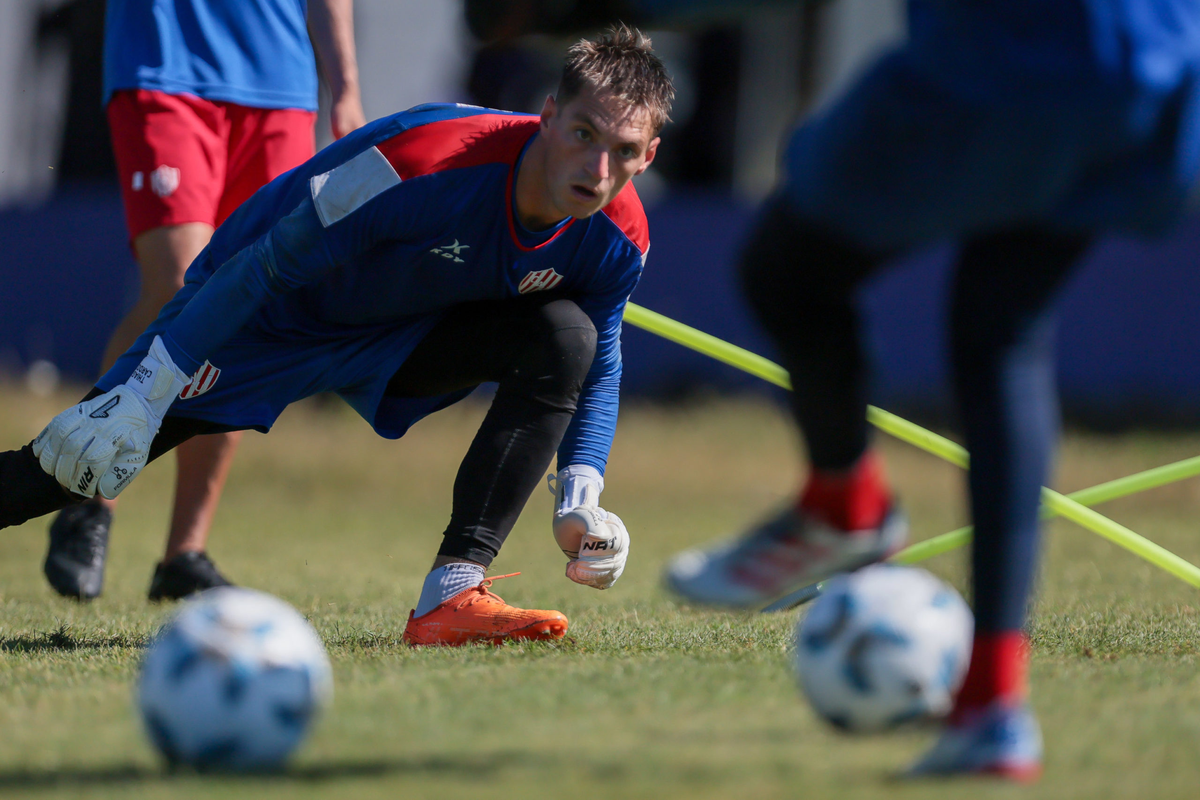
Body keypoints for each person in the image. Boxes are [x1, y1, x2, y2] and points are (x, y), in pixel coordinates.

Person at [469, 0, 1200, 780]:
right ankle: (992, 711)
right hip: (1159, 83)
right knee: (1003, 336)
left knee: (786, 268)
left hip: (1019, 58)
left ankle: (846, 503)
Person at [1, 25, 674, 647]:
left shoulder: (620, 237)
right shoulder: (418, 164)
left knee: (566, 338)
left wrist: (583, 493)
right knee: (67, 468)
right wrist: (149, 392)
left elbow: (601, 357)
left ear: (647, 157)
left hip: (402, 337)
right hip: (265, 314)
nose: (598, 168)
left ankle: (452, 595)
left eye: (622, 151)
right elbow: (262, 266)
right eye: (584, 133)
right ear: (549, 116)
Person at [46, 0, 366, 603]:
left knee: (244, 314)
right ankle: (89, 497)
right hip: (164, 65)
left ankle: (182, 555)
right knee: (179, 288)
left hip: (279, 86)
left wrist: (344, 87)